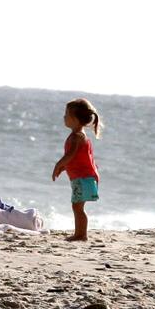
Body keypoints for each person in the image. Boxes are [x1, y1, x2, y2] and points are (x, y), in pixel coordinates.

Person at [51, 98, 103, 241]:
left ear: (75, 119)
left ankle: (81, 234)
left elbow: (70, 155)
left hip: (83, 178)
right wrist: (63, 167)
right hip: (83, 177)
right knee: (77, 207)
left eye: (67, 114)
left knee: (77, 207)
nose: (64, 117)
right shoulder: (78, 136)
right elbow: (73, 158)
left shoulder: (77, 137)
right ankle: (80, 233)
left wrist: (58, 165)